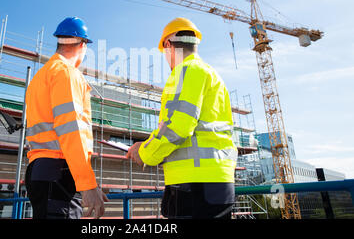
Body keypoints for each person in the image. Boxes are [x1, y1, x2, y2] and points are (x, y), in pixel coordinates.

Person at [127, 17, 237, 219]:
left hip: (193, 184)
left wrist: (145, 153)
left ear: (168, 45)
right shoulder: (211, 73)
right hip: (218, 181)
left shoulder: (185, 71)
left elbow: (178, 126)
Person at [24, 17, 108, 219]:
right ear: (82, 44)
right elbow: (71, 129)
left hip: (39, 169)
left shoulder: (40, 76)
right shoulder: (67, 73)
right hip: (59, 170)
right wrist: (87, 184)